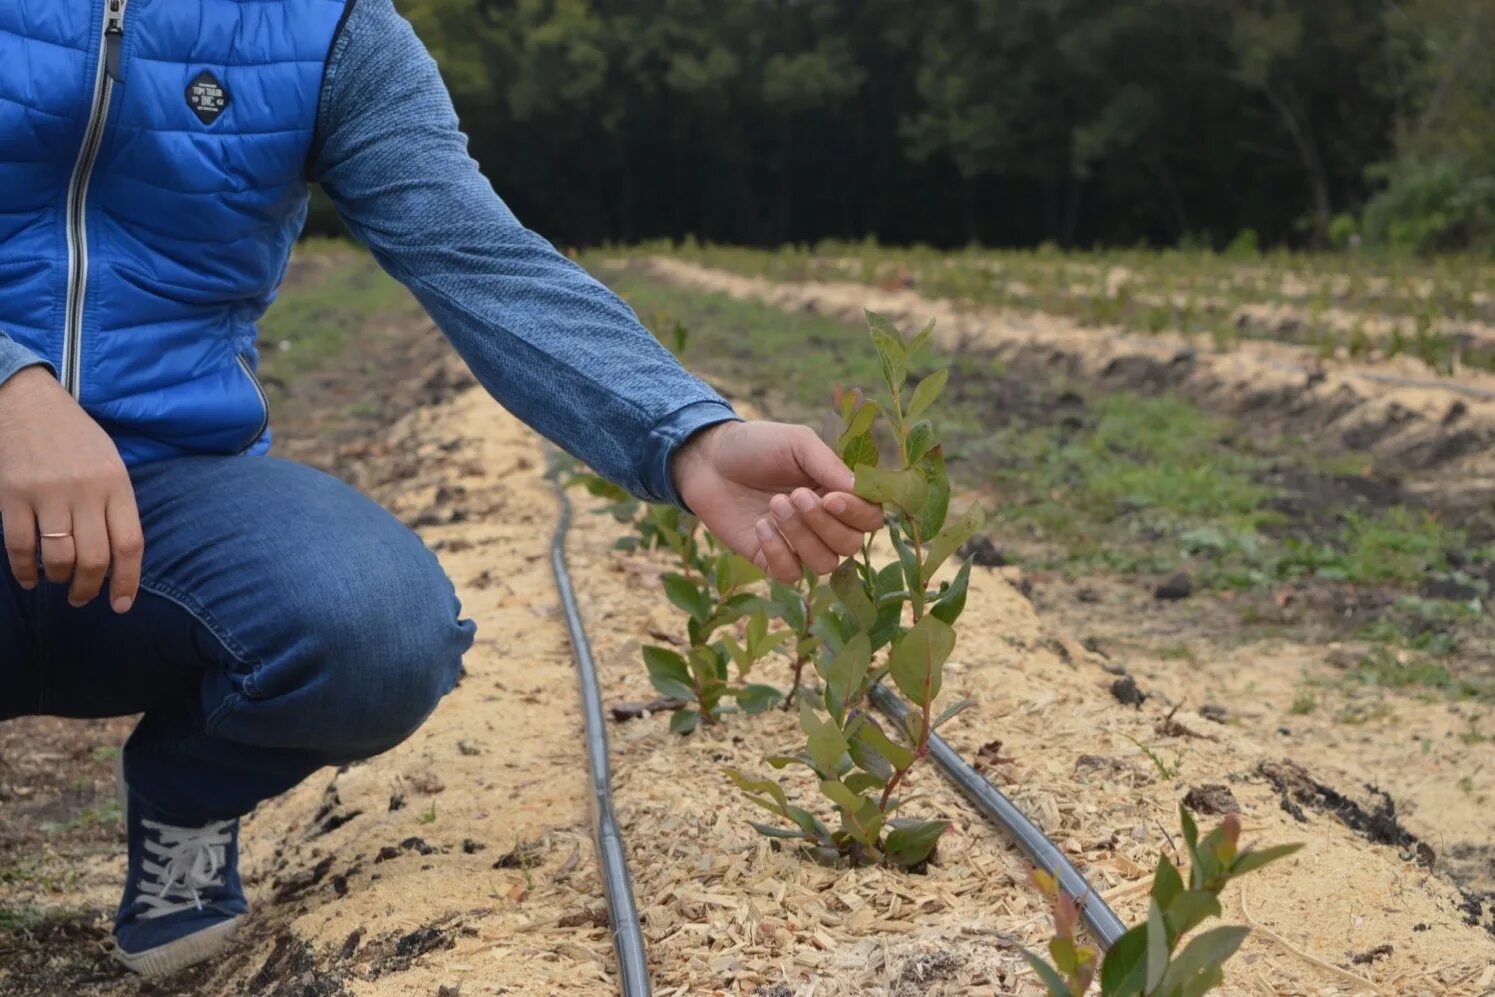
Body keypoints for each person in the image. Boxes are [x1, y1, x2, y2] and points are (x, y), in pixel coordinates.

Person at [0, 0, 882, 978]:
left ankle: (188, 792)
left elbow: (471, 250)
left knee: (375, 624)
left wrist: (688, 437)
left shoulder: (327, 27)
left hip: (163, 495)